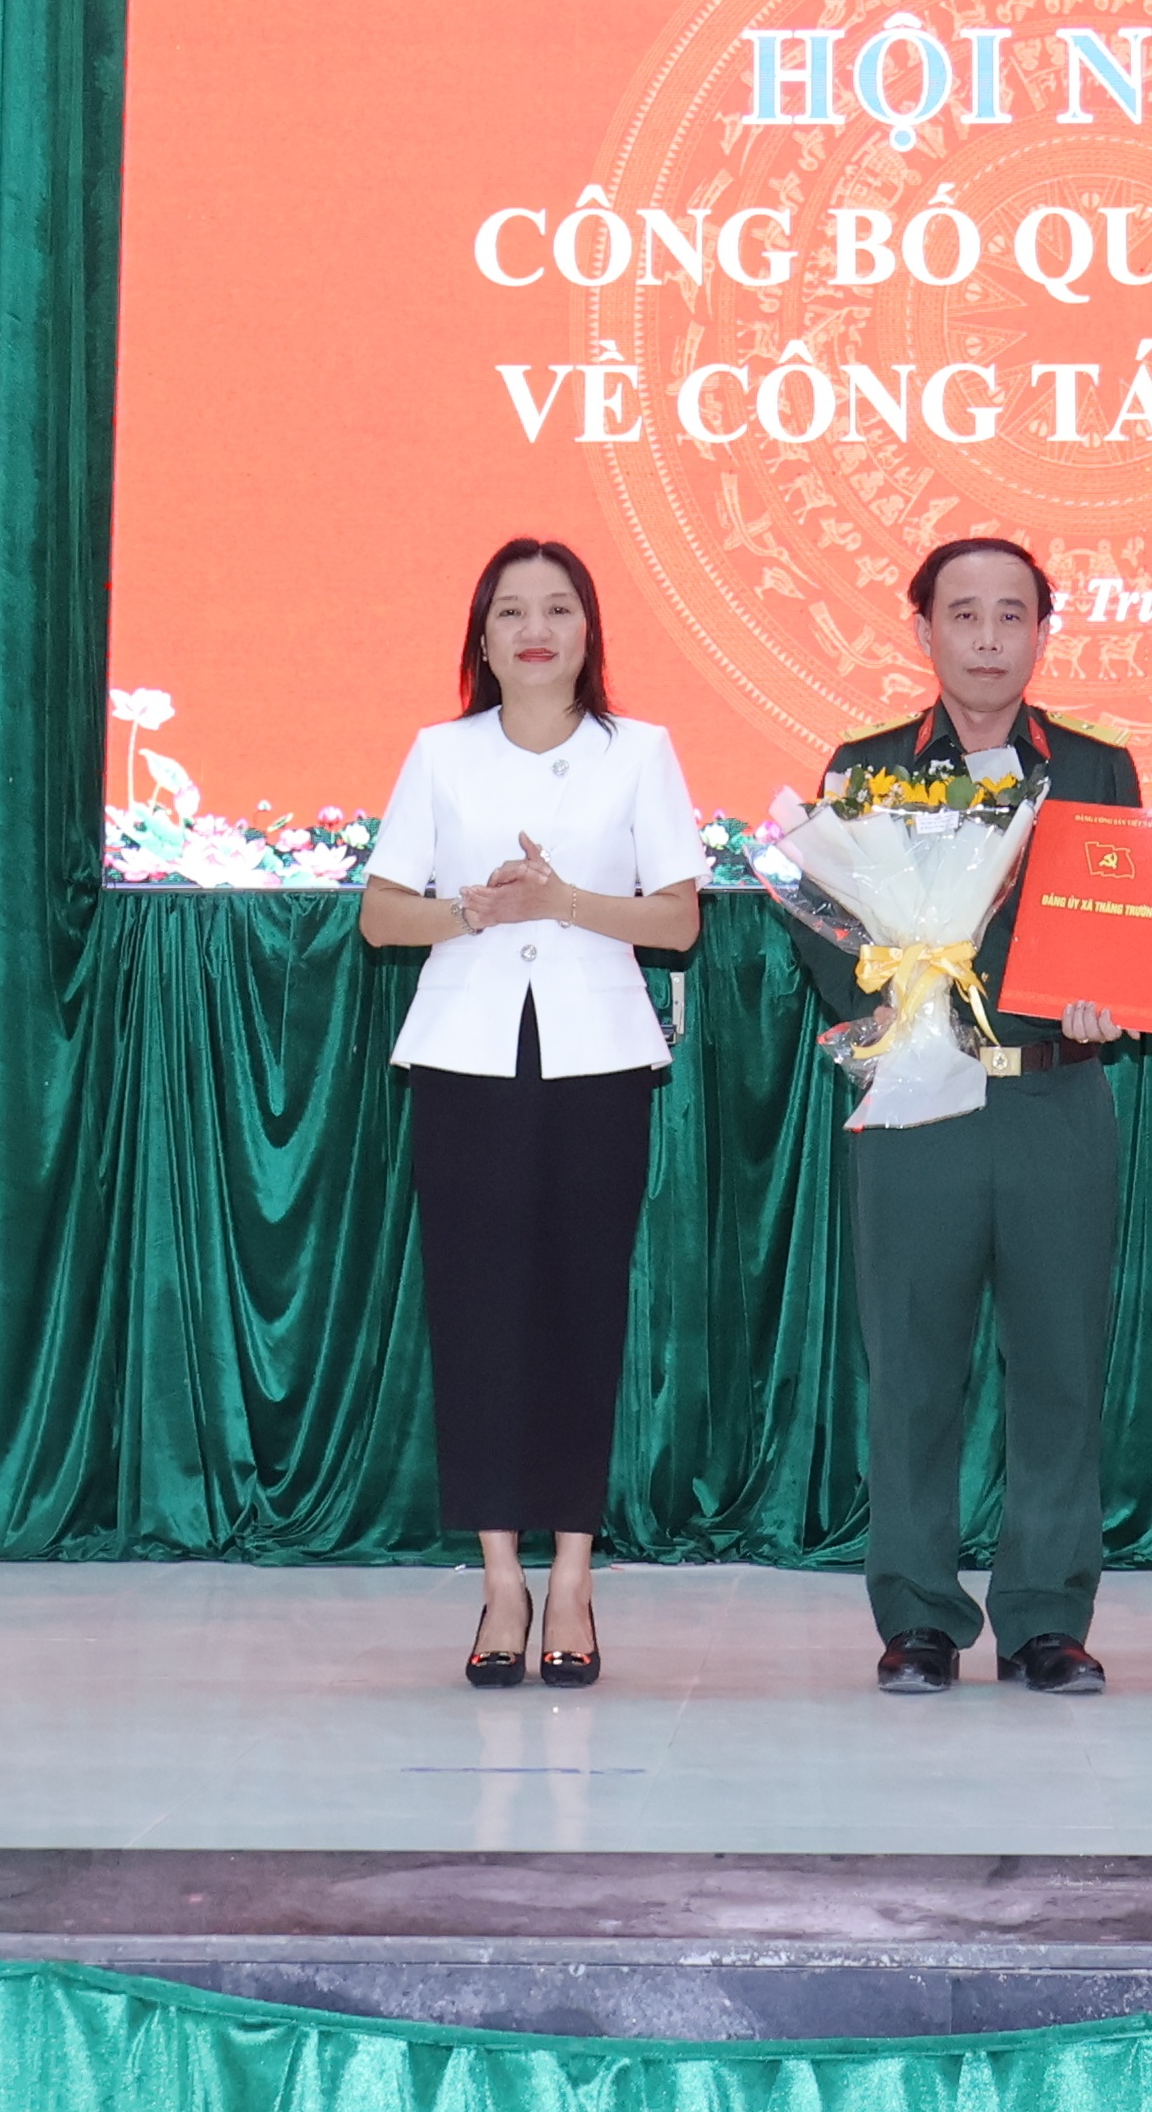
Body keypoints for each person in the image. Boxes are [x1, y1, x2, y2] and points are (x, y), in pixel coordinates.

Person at [791, 538, 1139, 1698]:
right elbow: (825, 927)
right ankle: (918, 1617)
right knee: (911, 1369)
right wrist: (891, 988)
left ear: (1042, 631)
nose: (987, 638)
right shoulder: (867, 769)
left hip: (1052, 1095)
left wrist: (1107, 1000)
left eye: (1010, 615)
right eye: (963, 615)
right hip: (917, 1100)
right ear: (923, 630)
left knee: (1059, 1369)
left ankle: (1046, 1617)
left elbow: (1121, 924)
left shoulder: (1095, 770)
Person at [358, 538, 704, 1692]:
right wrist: (475, 912)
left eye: (558, 608)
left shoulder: (638, 753)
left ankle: (572, 1580)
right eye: (511, 611)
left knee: (579, 1316)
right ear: (482, 636)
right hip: (465, 1059)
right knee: (478, 1317)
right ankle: (501, 1583)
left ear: (589, 631)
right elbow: (380, 917)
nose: (535, 629)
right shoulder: (440, 753)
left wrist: (562, 900)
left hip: (597, 1061)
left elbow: (678, 922)